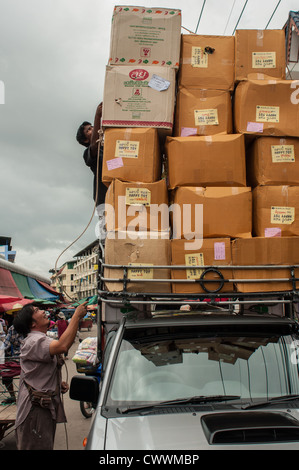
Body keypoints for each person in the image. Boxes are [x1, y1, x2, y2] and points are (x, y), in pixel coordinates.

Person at [13, 301, 88, 450]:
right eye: (36, 310)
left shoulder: (39, 339)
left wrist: (56, 384)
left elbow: (38, 372)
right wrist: (75, 317)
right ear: (32, 323)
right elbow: (62, 346)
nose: (42, 311)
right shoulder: (34, 341)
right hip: (33, 412)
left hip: (41, 409)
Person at [76, 102, 107, 241]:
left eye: (92, 127)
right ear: (84, 140)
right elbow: (94, 145)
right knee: (107, 235)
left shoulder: (109, 147)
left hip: (119, 195)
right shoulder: (89, 152)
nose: (93, 129)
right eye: (89, 130)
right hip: (104, 199)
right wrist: (97, 116)